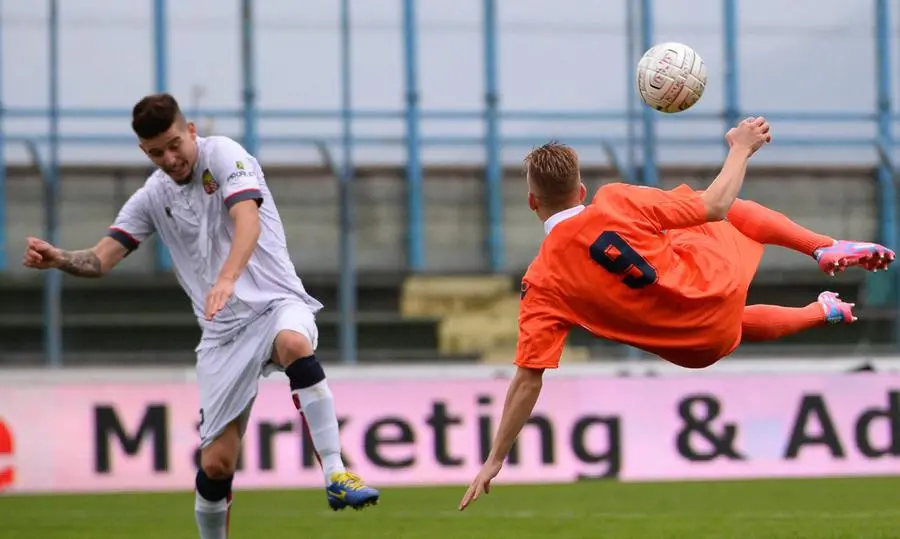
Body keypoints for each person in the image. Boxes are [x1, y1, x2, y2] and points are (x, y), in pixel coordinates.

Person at [457, 116, 895, 511]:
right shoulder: (618, 200)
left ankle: (825, 312)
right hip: (715, 285)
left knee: (731, 324)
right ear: (582, 191)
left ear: (533, 203)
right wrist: (740, 148)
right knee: (725, 208)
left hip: (696, 347)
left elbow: (528, 378)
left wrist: (496, 457)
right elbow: (717, 207)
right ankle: (821, 247)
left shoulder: (541, 283)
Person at [22, 93, 379, 538]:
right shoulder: (152, 198)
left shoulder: (224, 154)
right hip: (222, 334)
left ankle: (335, 472)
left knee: (292, 343)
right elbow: (102, 259)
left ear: (190, 131)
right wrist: (59, 259)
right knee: (217, 464)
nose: (170, 158)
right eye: (157, 152)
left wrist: (227, 278)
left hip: (274, 301)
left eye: (175, 144)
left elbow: (247, 220)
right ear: (144, 152)